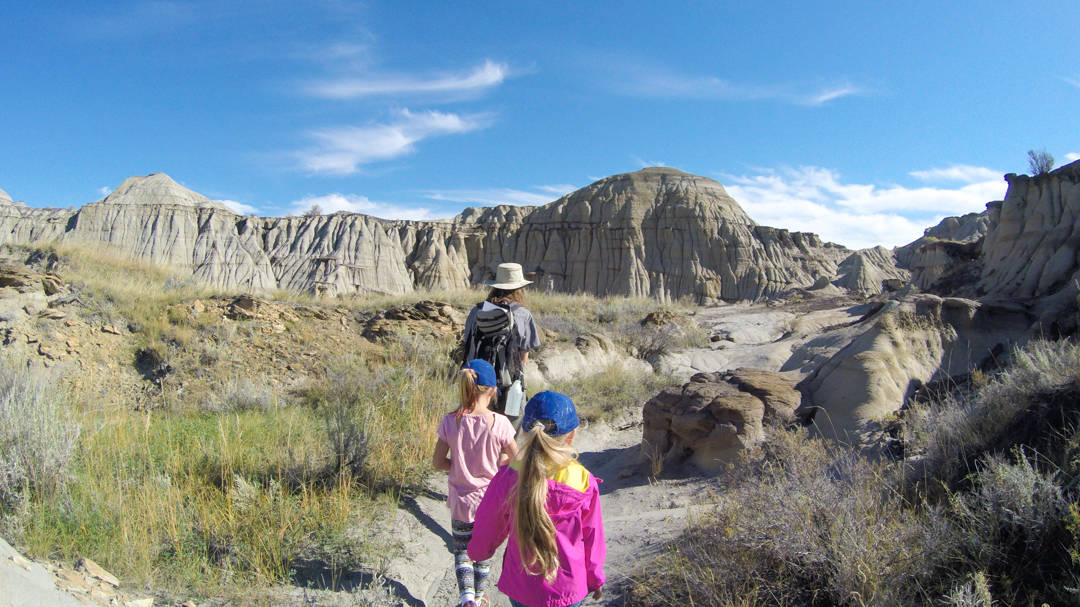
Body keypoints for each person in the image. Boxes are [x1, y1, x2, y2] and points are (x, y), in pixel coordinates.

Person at [467, 391, 606, 607]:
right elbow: (592, 536)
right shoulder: (583, 480)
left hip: (522, 587)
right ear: (571, 436)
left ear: (524, 431)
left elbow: (488, 522)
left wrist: (478, 551)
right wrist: (595, 578)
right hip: (568, 589)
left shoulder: (508, 476)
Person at [433, 359, 520, 607]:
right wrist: (499, 462)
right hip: (490, 501)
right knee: (484, 553)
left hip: (461, 500)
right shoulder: (500, 423)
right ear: (492, 391)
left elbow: (438, 461)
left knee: (461, 551)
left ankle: (466, 599)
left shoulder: (450, 421)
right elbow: (516, 457)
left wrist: (459, 468)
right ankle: (480, 599)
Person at [459, 262, 542, 425]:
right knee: (509, 431)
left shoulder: (477, 311)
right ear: (519, 289)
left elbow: (467, 342)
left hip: (476, 380)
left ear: (495, 286)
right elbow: (524, 357)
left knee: (474, 425)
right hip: (509, 382)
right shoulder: (523, 314)